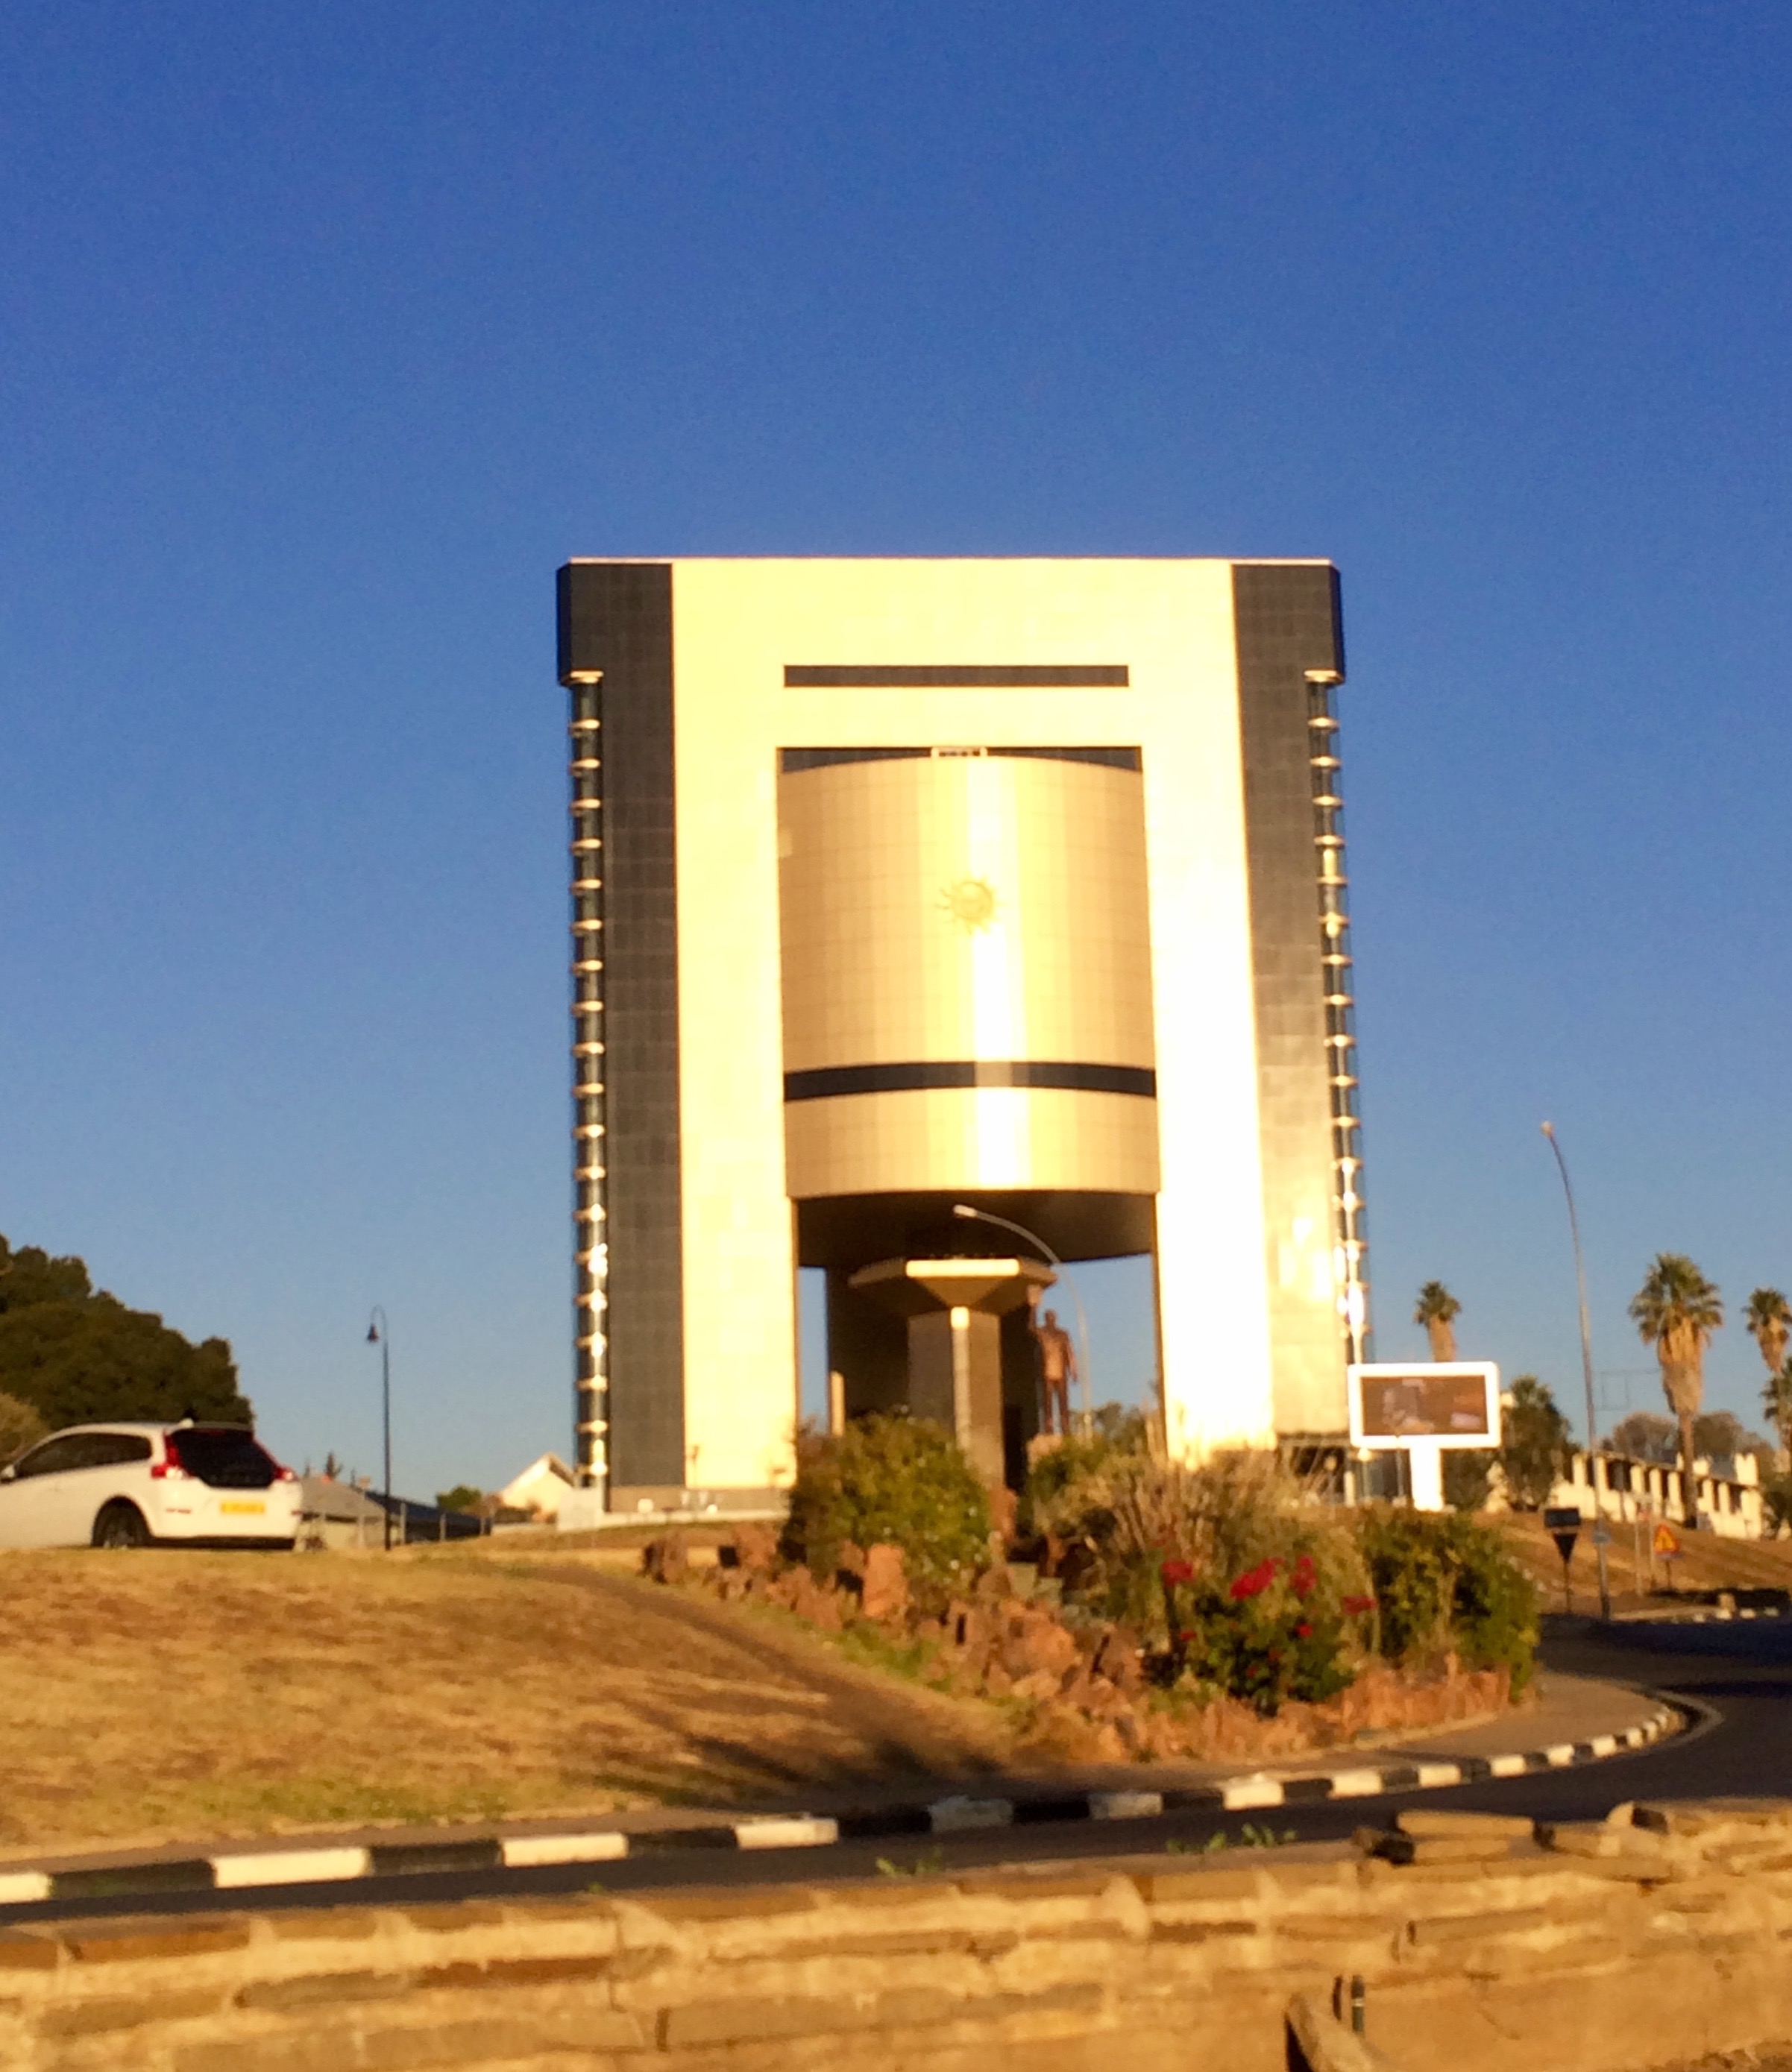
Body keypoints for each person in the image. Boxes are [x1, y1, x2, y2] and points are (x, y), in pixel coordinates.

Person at [1032, 1306, 1078, 1438]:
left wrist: (1073, 1369)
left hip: (1061, 1373)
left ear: (1055, 1319)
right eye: (1048, 1317)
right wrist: (1034, 1309)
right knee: (1048, 1405)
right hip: (1048, 1373)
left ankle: (1066, 1429)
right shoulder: (1043, 1333)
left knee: (1063, 1403)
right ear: (1046, 1319)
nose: (1051, 1320)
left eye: (1052, 1317)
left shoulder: (1063, 1334)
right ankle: (1049, 1430)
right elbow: (1032, 1328)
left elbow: (1069, 1352)